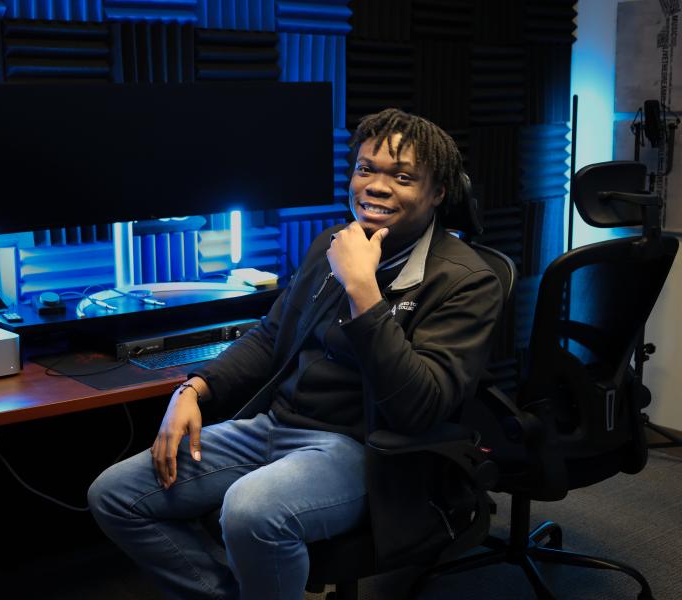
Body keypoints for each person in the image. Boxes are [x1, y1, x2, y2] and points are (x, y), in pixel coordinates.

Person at [88, 108, 503, 600]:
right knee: (115, 495)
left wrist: (362, 290)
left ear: (437, 194)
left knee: (249, 510)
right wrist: (192, 389)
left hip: (361, 449)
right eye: (366, 169)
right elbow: (270, 336)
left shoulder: (466, 280)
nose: (375, 185)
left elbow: (420, 406)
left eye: (403, 177)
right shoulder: (331, 244)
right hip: (275, 426)